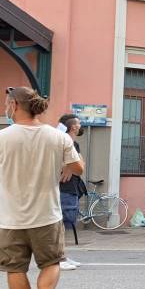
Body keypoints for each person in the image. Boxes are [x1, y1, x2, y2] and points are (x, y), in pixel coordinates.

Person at [0, 87, 83, 289]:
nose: (6, 108)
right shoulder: (58, 137)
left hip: (9, 218)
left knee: (15, 268)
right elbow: (78, 168)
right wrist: (65, 165)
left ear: (15, 105)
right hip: (46, 215)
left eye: (7, 104)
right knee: (51, 262)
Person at [56, 114, 87, 270]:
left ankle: (61, 256)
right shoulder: (66, 142)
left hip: (69, 187)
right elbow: (80, 168)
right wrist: (71, 166)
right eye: (79, 123)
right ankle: (58, 259)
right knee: (59, 224)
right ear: (74, 127)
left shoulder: (72, 143)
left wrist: (72, 165)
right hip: (64, 188)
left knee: (62, 224)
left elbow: (81, 165)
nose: (80, 125)